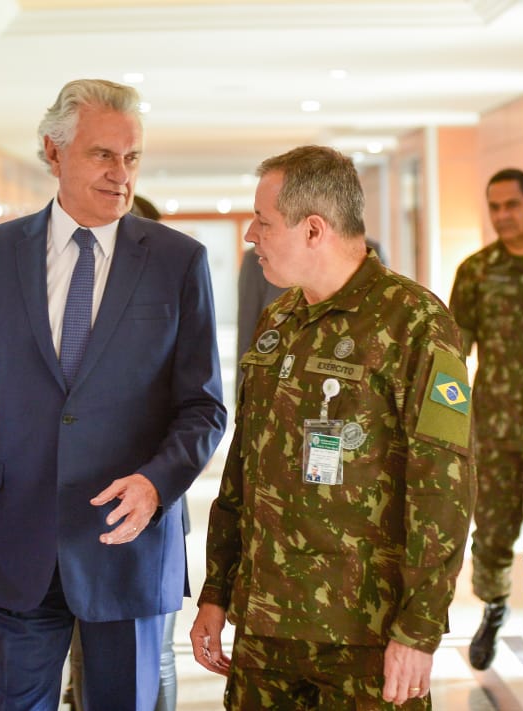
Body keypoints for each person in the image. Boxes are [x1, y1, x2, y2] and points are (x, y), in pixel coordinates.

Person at [0, 78, 226, 711]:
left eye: (132, 156)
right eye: (102, 155)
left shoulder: (178, 261)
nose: (121, 174)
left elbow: (203, 407)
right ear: (53, 152)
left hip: (127, 543)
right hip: (18, 540)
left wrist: (155, 482)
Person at [190, 145, 475, 709]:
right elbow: (244, 467)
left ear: (314, 228)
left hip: (364, 632)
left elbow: (443, 487)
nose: (251, 235)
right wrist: (217, 591)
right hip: (266, 628)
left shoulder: (415, 323)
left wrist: (419, 628)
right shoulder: (278, 319)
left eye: (264, 222)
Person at [62, 193, 189, 711]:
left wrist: (157, 483)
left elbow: (197, 407)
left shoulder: (176, 294)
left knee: (153, 654)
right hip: (79, 510)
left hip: (149, 506)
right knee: (83, 651)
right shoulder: (78, 301)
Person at [448, 168, 523, 699]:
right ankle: (494, 612)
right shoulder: (475, 271)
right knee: (493, 538)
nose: (502, 216)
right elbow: (454, 357)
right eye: (494, 207)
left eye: (511, 206)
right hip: (493, 431)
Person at [237, 236, 385, 362]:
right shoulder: (258, 260)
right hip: (279, 378)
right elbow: (247, 336)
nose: (251, 234)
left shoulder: (368, 251)